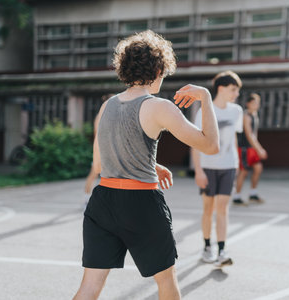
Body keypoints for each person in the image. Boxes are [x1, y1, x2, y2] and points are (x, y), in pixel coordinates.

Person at [73, 30, 219, 300]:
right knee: (166, 283)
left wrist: (151, 162)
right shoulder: (158, 106)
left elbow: (98, 162)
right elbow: (210, 145)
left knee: (89, 288)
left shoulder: (107, 106)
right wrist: (206, 100)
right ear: (160, 68)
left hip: (103, 200)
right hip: (140, 202)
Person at [192, 70, 243, 267]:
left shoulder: (236, 111)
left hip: (228, 166)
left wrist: (236, 164)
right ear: (221, 88)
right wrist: (198, 170)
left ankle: (222, 250)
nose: (236, 94)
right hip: (208, 167)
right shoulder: (205, 111)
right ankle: (207, 247)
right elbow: (196, 142)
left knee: (223, 208)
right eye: (233, 90)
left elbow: (235, 139)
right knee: (208, 208)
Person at [233, 93, 267, 205]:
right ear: (248, 104)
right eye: (253, 103)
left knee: (258, 168)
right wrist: (259, 149)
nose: (255, 105)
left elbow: (254, 134)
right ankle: (236, 197)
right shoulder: (245, 116)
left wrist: (256, 148)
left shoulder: (255, 115)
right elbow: (249, 134)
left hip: (252, 148)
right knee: (243, 172)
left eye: (257, 103)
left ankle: (253, 194)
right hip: (244, 148)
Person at [84, 93, 114, 196]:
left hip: (105, 148)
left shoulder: (107, 115)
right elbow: (99, 134)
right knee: (94, 174)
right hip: (101, 149)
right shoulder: (101, 115)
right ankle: (86, 198)